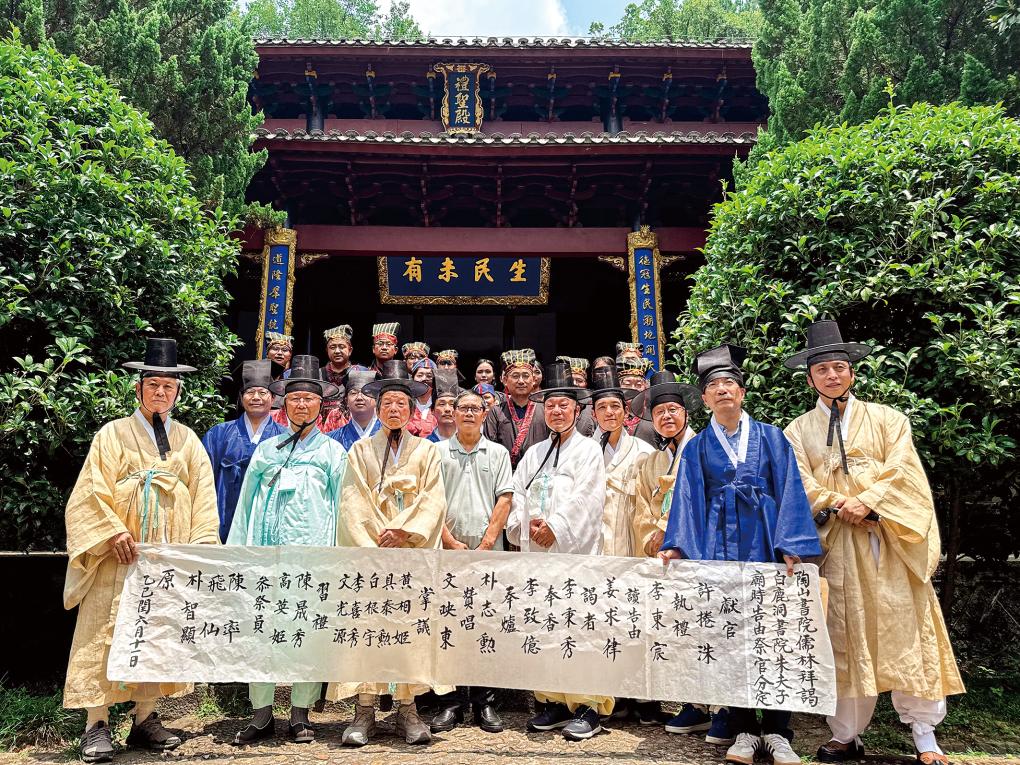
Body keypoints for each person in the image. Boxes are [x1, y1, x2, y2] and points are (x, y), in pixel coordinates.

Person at [783, 321, 964, 765]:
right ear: (809, 379)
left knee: (908, 630)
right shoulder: (796, 431)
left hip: (888, 539)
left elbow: (904, 473)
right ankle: (846, 734)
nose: (832, 375)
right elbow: (798, 483)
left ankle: (925, 734)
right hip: (837, 545)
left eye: (839, 367)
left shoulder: (889, 419)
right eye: (822, 369)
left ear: (852, 372)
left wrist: (869, 503)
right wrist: (839, 503)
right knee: (843, 637)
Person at [657, 344, 822, 765]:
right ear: (705, 398)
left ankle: (779, 731)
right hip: (718, 544)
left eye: (730, 383)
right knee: (731, 633)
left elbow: (790, 488)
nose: (723, 390)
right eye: (714, 386)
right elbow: (688, 499)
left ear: (743, 392)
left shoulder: (771, 437)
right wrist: (678, 544)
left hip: (764, 540)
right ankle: (744, 728)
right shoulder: (697, 447)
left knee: (775, 632)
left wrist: (791, 545)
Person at [64, 338, 218, 764]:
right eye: (153, 385)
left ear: (178, 393)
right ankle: (96, 723)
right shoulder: (112, 433)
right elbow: (90, 490)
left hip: (167, 553)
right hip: (119, 552)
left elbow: (204, 496)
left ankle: (145, 717)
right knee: (105, 627)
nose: (160, 392)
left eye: (168, 386)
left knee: (157, 629)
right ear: (138, 389)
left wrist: (200, 548)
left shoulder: (187, 439)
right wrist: (112, 531)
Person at [228, 356, 348, 746]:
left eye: (309, 399)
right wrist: (239, 552)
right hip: (267, 553)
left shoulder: (332, 453)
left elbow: (342, 508)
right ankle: (262, 712)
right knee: (261, 626)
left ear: (320, 405)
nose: (301, 405)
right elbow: (246, 503)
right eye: (294, 398)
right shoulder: (267, 450)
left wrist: (337, 557)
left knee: (306, 628)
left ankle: (300, 712)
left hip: (312, 555)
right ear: (285, 403)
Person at [328, 360, 449, 747]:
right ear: (378, 409)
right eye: (387, 404)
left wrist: (405, 533)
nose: (394, 409)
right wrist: (376, 543)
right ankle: (364, 710)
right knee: (367, 627)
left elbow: (433, 501)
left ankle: (407, 710)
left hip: (411, 554)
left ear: (412, 411)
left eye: (401, 404)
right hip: (371, 557)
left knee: (409, 629)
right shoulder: (360, 450)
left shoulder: (427, 452)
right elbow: (352, 503)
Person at [505, 361, 610, 741]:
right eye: (550, 405)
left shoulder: (589, 451)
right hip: (538, 555)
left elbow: (588, 499)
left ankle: (587, 706)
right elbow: (517, 495)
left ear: (577, 410)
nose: (557, 411)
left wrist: (556, 528)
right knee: (543, 623)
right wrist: (526, 526)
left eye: (564, 405)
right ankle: (550, 700)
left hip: (575, 554)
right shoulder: (533, 453)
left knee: (579, 624)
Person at [628, 372, 724, 742]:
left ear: (686, 413)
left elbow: (710, 501)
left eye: (673, 410)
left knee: (709, 625)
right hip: (663, 556)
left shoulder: (705, 449)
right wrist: (651, 536)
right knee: (679, 628)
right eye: (660, 412)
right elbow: (641, 507)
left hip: (700, 550)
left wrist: (672, 532)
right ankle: (694, 703)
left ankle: (722, 706)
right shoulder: (651, 461)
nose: (667, 417)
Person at [430, 389, 513, 735]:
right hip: (446, 551)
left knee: (485, 624)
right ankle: (450, 703)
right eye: (461, 408)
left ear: (484, 414)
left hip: (486, 552)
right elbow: (430, 501)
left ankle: (484, 701)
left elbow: (505, 498)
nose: (467, 413)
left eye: (474, 408)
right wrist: (449, 541)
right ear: (451, 412)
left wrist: (488, 542)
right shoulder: (436, 452)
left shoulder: (498, 453)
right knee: (446, 624)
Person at [588, 364, 656, 724]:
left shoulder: (642, 451)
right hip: (598, 543)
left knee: (636, 616)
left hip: (631, 542)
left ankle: (643, 697)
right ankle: (610, 694)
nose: (609, 413)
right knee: (604, 617)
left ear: (626, 411)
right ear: (593, 414)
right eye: (602, 408)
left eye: (615, 406)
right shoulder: (587, 451)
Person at [202, 360, 286, 542]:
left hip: (268, 526)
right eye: (249, 392)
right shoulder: (218, 434)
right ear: (241, 398)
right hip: (225, 522)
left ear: (273, 398)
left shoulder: (285, 437)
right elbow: (204, 484)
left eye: (262, 392)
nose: (256, 397)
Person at [327, 368, 381, 451]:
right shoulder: (331, 439)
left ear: (376, 400)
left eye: (366, 392)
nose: (359, 397)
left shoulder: (390, 435)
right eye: (353, 393)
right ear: (346, 401)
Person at [319, 325, 354, 429]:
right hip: (321, 428)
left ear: (350, 350)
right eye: (332, 347)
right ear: (327, 350)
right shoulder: (317, 374)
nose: (337, 351)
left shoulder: (359, 373)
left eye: (342, 347)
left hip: (350, 428)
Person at [618, 356, 658, 446]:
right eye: (627, 384)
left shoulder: (655, 415)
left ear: (645, 387)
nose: (633, 389)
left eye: (638, 384)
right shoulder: (612, 415)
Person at [408, 358, 438, 438]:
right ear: (413, 379)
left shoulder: (439, 404)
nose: (424, 379)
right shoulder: (406, 403)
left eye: (429, 376)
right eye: (420, 375)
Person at [427, 369, 459, 443]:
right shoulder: (427, 444)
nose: (447, 409)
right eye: (442, 404)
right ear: (432, 410)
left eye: (452, 404)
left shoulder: (471, 440)